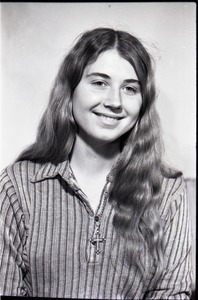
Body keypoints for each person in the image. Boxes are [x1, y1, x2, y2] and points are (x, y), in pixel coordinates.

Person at [0, 27, 192, 299]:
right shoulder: (17, 186)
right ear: (70, 90)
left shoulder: (167, 192)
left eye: (129, 88)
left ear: (143, 102)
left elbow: (171, 293)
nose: (114, 102)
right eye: (99, 83)